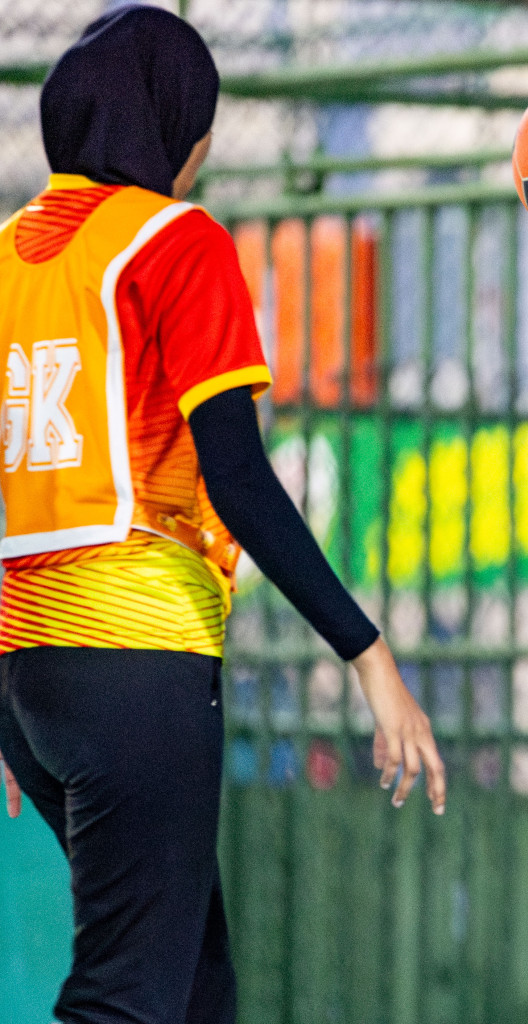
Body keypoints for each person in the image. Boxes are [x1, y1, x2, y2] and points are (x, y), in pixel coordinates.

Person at [0, 8, 446, 1024]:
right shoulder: (176, 240)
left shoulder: (8, 253)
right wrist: (371, 657)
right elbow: (238, 477)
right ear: (174, 126)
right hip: (137, 657)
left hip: (30, 672)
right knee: (127, 997)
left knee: (195, 981)